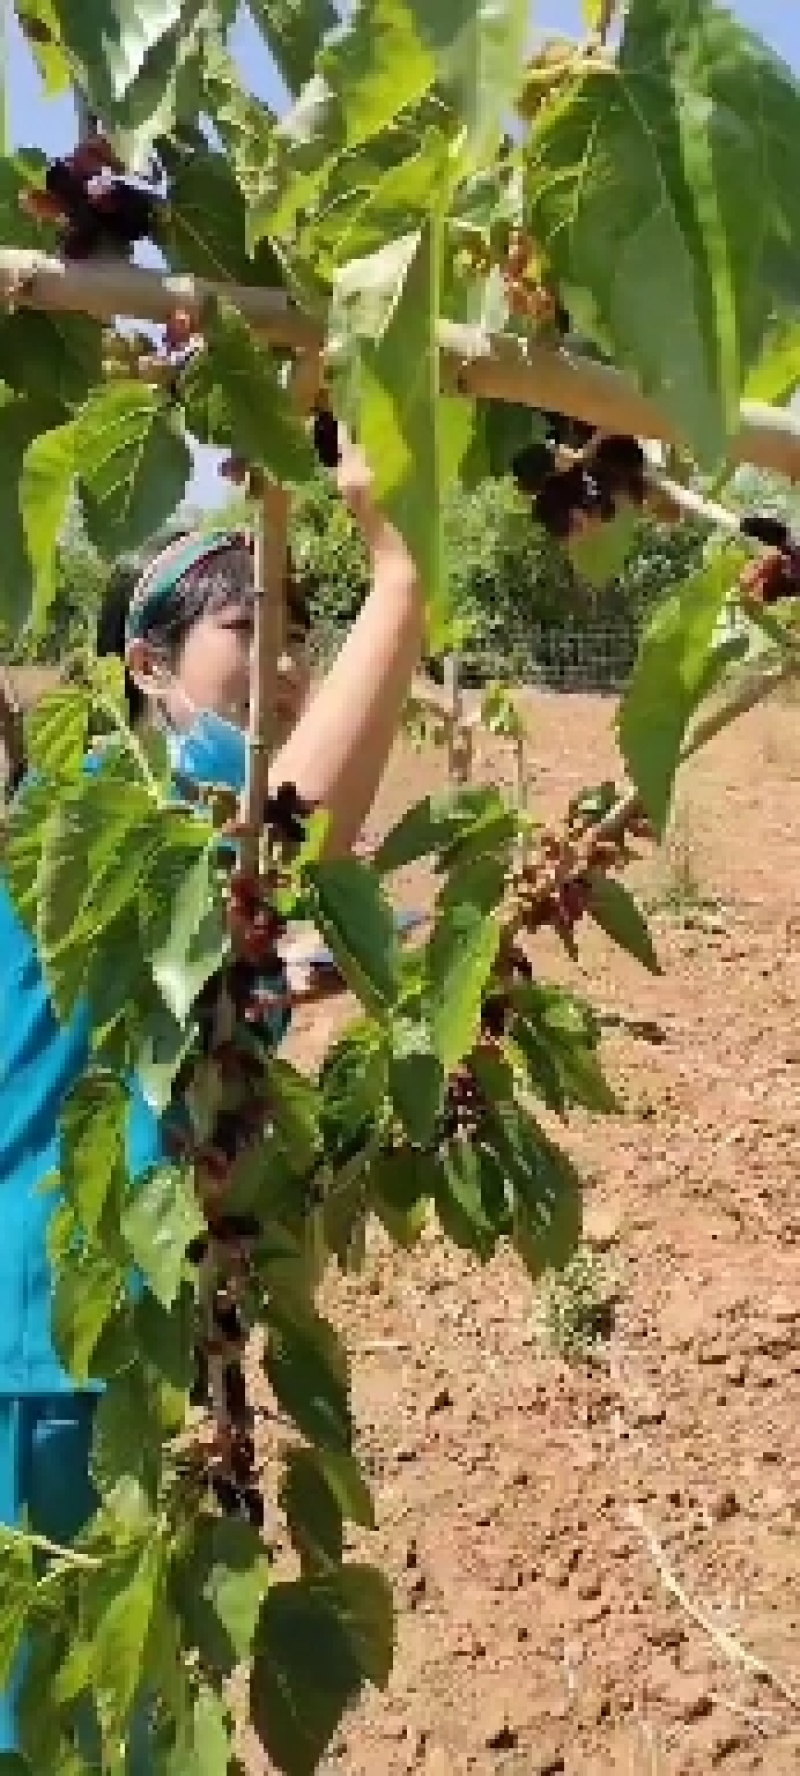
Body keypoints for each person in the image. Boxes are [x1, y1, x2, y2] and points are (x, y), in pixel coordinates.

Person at [0, 430, 422, 1765]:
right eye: (253, 625)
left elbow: (223, 980)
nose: (287, 657)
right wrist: (403, 574)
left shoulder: (101, 838)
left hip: (89, 1339)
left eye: (302, 624)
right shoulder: (130, 803)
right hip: (47, 1349)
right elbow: (293, 830)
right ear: (145, 666)